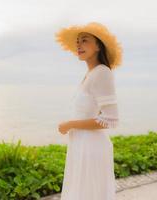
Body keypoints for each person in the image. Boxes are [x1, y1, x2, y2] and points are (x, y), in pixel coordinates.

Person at [54, 21, 123, 200]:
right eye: (78, 41)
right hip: (80, 145)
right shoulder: (90, 74)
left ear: (98, 45)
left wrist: (70, 124)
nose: (79, 44)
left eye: (84, 40)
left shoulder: (102, 72)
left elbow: (110, 119)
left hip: (91, 148)